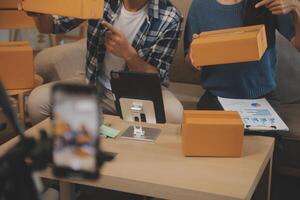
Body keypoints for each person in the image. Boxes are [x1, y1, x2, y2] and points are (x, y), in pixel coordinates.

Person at [27, 0, 183, 124]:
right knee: (37, 102)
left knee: (175, 115)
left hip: (139, 94)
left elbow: (156, 78)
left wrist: (129, 55)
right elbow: (52, 25)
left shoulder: (169, 17)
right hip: (95, 86)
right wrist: (37, 12)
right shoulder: (99, 2)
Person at [184, 0, 300, 111]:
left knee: (267, 132)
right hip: (216, 96)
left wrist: (296, 6)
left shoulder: (269, 3)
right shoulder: (199, 6)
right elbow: (190, 64)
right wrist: (194, 58)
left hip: (262, 97)